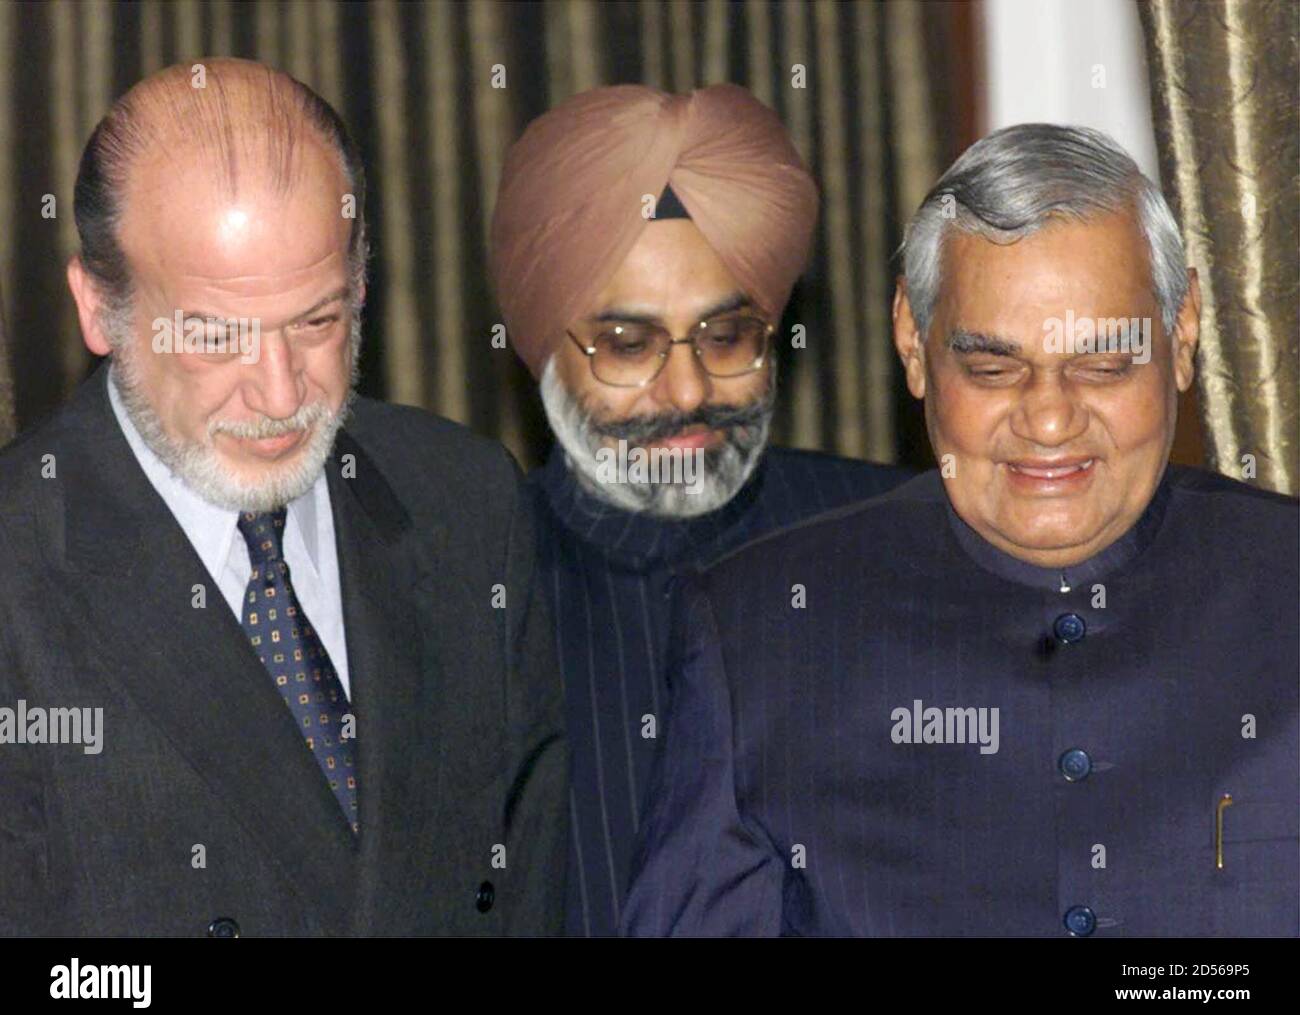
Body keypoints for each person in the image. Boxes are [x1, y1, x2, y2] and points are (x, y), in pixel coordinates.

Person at [623, 123, 1299, 938]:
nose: (1050, 419)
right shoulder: (759, 633)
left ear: (1182, 333)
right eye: (992, 368)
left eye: (1103, 363)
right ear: (913, 343)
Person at [0, 58, 566, 937]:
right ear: (97, 309)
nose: (278, 393)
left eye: (317, 320)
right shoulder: (19, 569)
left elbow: (535, 886)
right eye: (216, 334)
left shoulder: (463, 500)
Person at [489, 83, 911, 936]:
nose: (686, 391)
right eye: (627, 345)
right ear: (542, 352)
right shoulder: (469, 596)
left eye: (725, 339)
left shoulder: (897, 544)